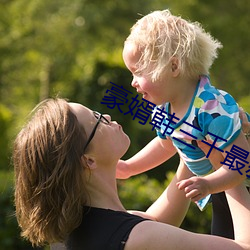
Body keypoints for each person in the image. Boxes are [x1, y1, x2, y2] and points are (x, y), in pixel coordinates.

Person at [13, 98, 250, 250]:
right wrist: (228, 161)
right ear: (88, 160)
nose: (106, 116)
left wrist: (190, 142)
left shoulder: (72, 234)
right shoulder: (138, 238)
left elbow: (156, 221)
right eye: (97, 120)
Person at [118, 9, 250, 239]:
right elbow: (165, 145)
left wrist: (208, 184)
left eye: (138, 72)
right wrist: (130, 167)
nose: (133, 83)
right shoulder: (165, 109)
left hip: (239, 187)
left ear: (173, 67)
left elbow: (241, 162)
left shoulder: (211, 108)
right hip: (220, 190)